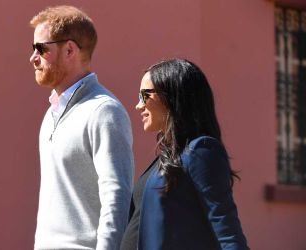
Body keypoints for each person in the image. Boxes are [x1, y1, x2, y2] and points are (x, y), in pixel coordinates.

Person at [28, 5, 134, 250]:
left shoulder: (104, 111)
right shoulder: (52, 113)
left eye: (41, 49)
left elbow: (116, 197)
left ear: (69, 49)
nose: (32, 58)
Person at [120, 58, 249, 250]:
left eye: (144, 95)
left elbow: (227, 231)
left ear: (172, 96)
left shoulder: (202, 151)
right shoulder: (170, 156)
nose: (139, 106)